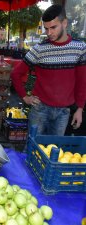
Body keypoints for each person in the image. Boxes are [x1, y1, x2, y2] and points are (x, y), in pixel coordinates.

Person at [11, 4, 86, 136]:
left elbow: (82, 81)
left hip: (64, 112)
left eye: (53, 27)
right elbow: (16, 73)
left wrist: (80, 109)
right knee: (32, 148)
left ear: (65, 23)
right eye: (46, 28)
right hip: (40, 109)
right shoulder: (39, 48)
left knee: (54, 151)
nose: (49, 33)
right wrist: (25, 97)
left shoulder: (80, 48)